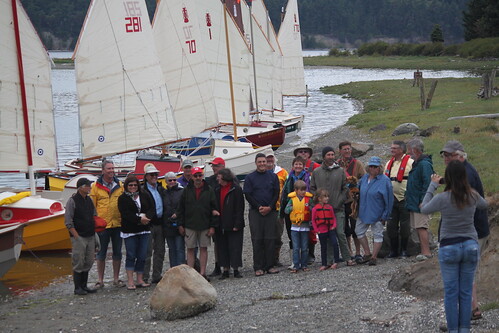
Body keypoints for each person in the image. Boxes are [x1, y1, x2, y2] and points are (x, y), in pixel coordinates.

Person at [420, 160, 487, 333]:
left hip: (449, 246)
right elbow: (484, 205)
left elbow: (424, 209)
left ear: (447, 178)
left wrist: (432, 186)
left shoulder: (442, 198)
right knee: (465, 292)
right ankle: (464, 329)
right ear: (464, 177)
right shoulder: (472, 195)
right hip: (470, 245)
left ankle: (453, 330)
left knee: (451, 293)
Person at [440, 140, 489, 320]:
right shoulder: (462, 172)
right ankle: (473, 309)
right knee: (468, 273)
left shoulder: (466, 173)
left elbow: (466, 200)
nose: (446, 158)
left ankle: (469, 312)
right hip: (470, 231)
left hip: (471, 231)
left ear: (460, 156)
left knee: (467, 274)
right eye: (444, 155)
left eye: (449, 155)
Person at [310, 146, 355, 266]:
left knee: (340, 233)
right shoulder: (317, 172)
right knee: (327, 236)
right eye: (328, 155)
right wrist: (318, 200)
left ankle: (347, 258)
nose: (331, 157)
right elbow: (312, 188)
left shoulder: (340, 171)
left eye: (332, 154)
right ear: (324, 156)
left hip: (338, 207)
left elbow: (345, 188)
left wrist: (340, 200)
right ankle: (329, 260)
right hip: (323, 210)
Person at [174, 167, 219, 281]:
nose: (198, 178)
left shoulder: (209, 190)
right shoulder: (186, 190)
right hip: (190, 225)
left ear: (202, 176)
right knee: (190, 249)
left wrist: (213, 226)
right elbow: (180, 209)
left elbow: (214, 209)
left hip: (205, 225)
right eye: (196, 176)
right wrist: (180, 225)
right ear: (192, 177)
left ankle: (203, 273)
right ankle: (190, 274)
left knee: (204, 248)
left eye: (200, 175)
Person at [244, 153, 280, 276]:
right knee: (257, 239)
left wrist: (270, 207)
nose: (262, 164)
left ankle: (270, 265)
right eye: (259, 162)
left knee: (270, 238)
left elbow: (276, 193)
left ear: (267, 162)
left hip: (271, 211)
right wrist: (259, 207)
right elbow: (248, 194)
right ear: (256, 163)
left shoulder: (273, 176)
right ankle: (258, 267)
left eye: (264, 162)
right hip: (256, 212)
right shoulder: (250, 177)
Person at [90, 160, 125, 288]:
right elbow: (92, 206)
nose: (111, 171)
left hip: (117, 224)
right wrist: (93, 222)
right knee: (101, 253)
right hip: (102, 225)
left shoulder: (119, 185)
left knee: (117, 253)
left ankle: (116, 279)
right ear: (103, 170)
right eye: (108, 168)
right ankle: (100, 280)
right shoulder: (95, 187)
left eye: (112, 168)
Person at [356, 156, 394, 266]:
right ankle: (367, 253)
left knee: (377, 234)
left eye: (375, 167)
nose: (372, 168)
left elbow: (389, 200)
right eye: (371, 166)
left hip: (378, 212)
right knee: (359, 231)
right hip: (363, 211)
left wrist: (386, 215)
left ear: (380, 168)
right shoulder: (364, 178)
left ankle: (374, 256)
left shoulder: (385, 181)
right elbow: (357, 190)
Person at [118, 175, 154, 290]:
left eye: (135, 185)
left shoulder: (145, 195)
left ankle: (139, 279)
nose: (133, 187)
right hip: (130, 231)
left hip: (144, 230)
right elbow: (125, 214)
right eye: (130, 185)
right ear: (126, 186)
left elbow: (151, 207)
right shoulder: (122, 198)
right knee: (131, 255)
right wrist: (139, 219)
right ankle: (130, 280)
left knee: (142, 255)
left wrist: (147, 217)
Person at [65, 177, 98, 295]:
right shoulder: (72, 201)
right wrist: (76, 236)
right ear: (81, 187)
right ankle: (77, 288)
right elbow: (68, 221)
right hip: (79, 236)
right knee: (78, 261)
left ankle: (84, 286)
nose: (90, 187)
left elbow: (94, 216)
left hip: (90, 235)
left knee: (89, 261)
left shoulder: (89, 200)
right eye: (88, 185)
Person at [279, 156, 311, 268]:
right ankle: (294, 261)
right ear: (293, 166)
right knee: (291, 236)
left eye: (300, 164)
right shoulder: (289, 178)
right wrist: (283, 211)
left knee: (305, 238)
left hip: (304, 210)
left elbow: (309, 192)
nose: (298, 166)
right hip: (291, 209)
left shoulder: (307, 177)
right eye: (296, 164)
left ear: (303, 166)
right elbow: (284, 194)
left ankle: (305, 261)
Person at [336, 141, 365, 261]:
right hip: (342, 200)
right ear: (340, 151)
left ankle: (358, 252)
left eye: (349, 149)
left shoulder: (357, 164)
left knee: (355, 227)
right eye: (344, 149)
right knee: (344, 228)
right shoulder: (336, 164)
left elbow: (363, 178)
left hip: (354, 200)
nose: (347, 151)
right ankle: (349, 251)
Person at [406, 138, 434, 261]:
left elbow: (428, 183)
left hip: (421, 202)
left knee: (422, 226)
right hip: (414, 201)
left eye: (409, 151)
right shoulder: (417, 163)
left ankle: (426, 252)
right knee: (418, 226)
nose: (408, 154)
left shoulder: (424, 164)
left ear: (415, 150)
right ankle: (423, 251)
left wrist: (424, 200)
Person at [384, 140, 413, 258]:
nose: (392, 150)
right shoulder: (388, 163)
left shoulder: (410, 162)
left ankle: (404, 250)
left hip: (404, 198)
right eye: (391, 148)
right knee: (391, 225)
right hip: (391, 198)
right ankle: (393, 250)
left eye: (394, 148)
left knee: (405, 226)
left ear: (401, 150)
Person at [214, 168, 245, 279]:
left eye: (219, 176)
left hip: (233, 223)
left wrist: (237, 223)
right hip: (221, 223)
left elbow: (240, 208)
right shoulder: (217, 189)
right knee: (222, 247)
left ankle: (236, 269)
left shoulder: (236, 189)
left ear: (224, 177)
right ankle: (225, 269)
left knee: (235, 246)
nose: (217, 178)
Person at [142, 163, 166, 284]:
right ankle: (144, 277)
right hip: (148, 224)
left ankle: (157, 275)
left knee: (160, 250)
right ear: (146, 176)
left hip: (160, 223)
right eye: (151, 174)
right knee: (147, 251)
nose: (154, 176)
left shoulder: (160, 188)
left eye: (156, 174)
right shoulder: (142, 190)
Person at [284, 180, 313, 273]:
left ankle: (304, 264)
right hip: (295, 227)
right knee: (296, 247)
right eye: (301, 190)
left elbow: (313, 209)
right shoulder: (292, 200)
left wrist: (309, 209)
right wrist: (292, 208)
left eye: (304, 190)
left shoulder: (308, 199)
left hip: (305, 226)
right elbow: (286, 210)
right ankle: (296, 265)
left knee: (304, 247)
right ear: (296, 190)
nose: (303, 192)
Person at [266, 152, 288, 267]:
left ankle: (276, 258)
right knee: (265, 235)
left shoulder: (283, 172)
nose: (269, 160)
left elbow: (288, 187)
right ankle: (266, 258)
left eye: (271, 158)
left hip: (279, 208)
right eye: (267, 158)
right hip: (265, 208)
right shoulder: (261, 172)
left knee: (278, 234)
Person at [205, 157, 226, 277]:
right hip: (214, 215)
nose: (213, 168)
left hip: (226, 214)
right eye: (213, 166)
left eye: (216, 166)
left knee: (228, 240)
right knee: (217, 242)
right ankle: (218, 265)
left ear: (222, 166)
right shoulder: (209, 181)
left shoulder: (230, 178)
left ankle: (228, 265)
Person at [311, 188, 340, 271]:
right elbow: (313, 220)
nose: (327, 198)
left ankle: (336, 261)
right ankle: (324, 263)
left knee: (334, 244)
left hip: (330, 229)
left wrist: (334, 225)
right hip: (321, 230)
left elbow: (333, 218)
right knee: (323, 247)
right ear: (319, 198)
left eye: (328, 196)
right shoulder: (315, 209)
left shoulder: (329, 207)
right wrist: (316, 230)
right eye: (325, 197)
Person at [163, 172, 185, 268]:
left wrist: (180, 222)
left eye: (174, 180)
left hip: (179, 224)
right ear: (166, 182)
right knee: (171, 249)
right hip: (168, 225)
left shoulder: (182, 191)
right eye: (170, 180)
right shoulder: (164, 193)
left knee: (180, 248)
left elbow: (184, 208)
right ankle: (174, 270)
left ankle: (182, 270)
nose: (172, 182)